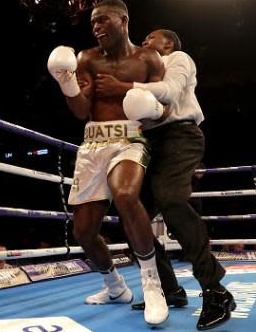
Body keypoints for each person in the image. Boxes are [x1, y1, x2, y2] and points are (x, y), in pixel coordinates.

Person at [97, 28, 236, 330]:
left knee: (171, 199)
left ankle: (216, 290)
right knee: (132, 217)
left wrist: (120, 85)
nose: (144, 43)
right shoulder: (143, 72)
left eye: (151, 39)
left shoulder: (177, 58)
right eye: (143, 40)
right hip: (147, 142)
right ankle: (169, 289)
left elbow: (171, 92)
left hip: (180, 137)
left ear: (168, 43)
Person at [47, 0, 168, 326]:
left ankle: (152, 285)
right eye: (93, 24)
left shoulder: (149, 58)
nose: (96, 27)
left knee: (126, 195)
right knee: (84, 232)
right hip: (92, 143)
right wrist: (66, 82)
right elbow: (80, 111)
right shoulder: (86, 58)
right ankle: (115, 286)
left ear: (123, 20)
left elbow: (167, 104)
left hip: (131, 139)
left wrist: (153, 109)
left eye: (103, 20)